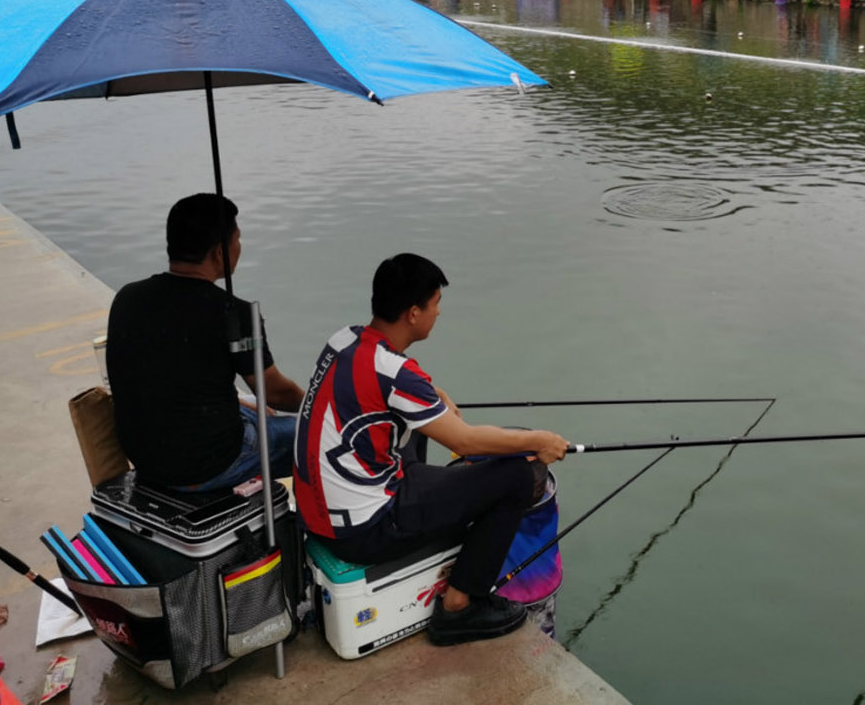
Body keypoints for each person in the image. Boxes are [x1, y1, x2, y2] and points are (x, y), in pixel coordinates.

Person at [294, 253, 569, 646]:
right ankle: (460, 605)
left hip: (318, 513)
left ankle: (429, 511)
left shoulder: (346, 340)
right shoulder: (397, 374)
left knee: (422, 429)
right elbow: (465, 440)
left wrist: (430, 396)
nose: (438, 313)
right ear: (412, 312)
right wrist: (539, 440)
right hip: (364, 529)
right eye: (435, 304)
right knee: (517, 476)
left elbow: (383, 387)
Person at [107, 193, 304, 491]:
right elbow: (274, 392)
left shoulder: (127, 297)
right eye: (237, 239)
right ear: (219, 253)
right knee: (314, 434)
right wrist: (316, 403)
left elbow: (174, 374)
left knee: (252, 406)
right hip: (208, 465)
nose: (239, 247)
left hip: (147, 459)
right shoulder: (234, 313)